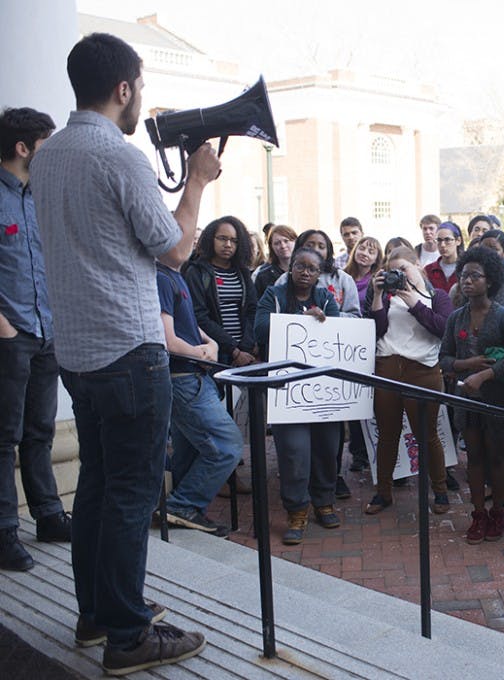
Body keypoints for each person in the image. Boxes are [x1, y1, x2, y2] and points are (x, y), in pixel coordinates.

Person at [31, 32, 219, 673]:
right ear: (123, 88)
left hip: (79, 354)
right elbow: (173, 249)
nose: (143, 99)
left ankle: (98, 613)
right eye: (141, 86)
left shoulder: (50, 153)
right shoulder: (120, 155)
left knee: (99, 487)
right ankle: (128, 636)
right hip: (131, 352)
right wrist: (195, 181)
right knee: (134, 495)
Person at [0, 106, 72, 573]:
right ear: (24, 148)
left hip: (47, 331)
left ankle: (48, 515)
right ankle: (5, 530)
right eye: (47, 143)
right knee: (2, 437)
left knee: (40, 432)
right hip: (10, 335)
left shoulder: (39, 196)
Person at [255, 247, 344, 544]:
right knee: (294, 451)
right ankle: (297, 509)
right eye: (300, 266)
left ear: (320, 274)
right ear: (290, 268)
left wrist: (324, 321)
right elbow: (260, 328)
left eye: (312, 269)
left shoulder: (327, 298)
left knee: (327, 447)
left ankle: (323, 501)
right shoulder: (274, 296)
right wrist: (300, 320)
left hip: (323, 390)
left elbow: (338, 333)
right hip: (287, 390)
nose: (305, 272)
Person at [440, 248, 504, 543]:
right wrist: (467, 366)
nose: (467, 281)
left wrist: (484, 374)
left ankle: (497, 513)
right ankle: (478, 514)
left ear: (490, 281)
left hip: (498, 398)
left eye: (475, 275)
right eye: (464, 275)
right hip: (465, 400)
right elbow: (444, 358)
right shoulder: (455, 318)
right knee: (473, 457)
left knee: (496, 457)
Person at [364, 247, 454, 515]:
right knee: (387, 436)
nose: (398, 275)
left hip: (423, 371)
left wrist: (413, 301)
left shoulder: (437, 296)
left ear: (418, 265)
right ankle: (383, 492)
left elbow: (443, 328)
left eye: (403, 268)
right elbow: (376, 330)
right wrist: (379, 294)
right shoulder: (387, 297)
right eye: (392, 271)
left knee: (427, 436)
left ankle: (439, 491)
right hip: (388, 367)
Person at [156, 262, 241, 536]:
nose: (190, 236)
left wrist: (212, 345)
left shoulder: (175, 276)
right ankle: (182, 505)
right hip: (183, 378)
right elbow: (168, 340)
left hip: (193, 377)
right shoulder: (160, 278)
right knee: (227, 444)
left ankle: (186, 514)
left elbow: (192, 325)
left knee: (189, 450)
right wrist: (199, 352)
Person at [183, 216, 259, 366]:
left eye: (234, 241)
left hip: (245, 351)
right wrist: (233, 350)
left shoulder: (242, 272)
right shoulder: (197, 272)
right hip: (215, 352)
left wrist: (245, 346)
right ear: (211, 239)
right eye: (222, 238)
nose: (228, 245)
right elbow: (200, 316)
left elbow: (252, 309)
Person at [343, 235, 383, 473]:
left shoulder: (376, 281)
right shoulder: (341, 276)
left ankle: (371, 449)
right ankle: (357, 452)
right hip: (343, 344)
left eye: (372, 250)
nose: (365, 253)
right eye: (362, 248)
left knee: (368, 398)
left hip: (368, 344)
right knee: (352, 399)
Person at [252, 224, 296, 298]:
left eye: (286, 241)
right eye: (277, 243)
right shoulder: (263, 276)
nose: (283, 246)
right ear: (271, 247)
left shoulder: (306, 271)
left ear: (295, 242)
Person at [425, 221, 462, 293]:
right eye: (439, 240)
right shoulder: (428, 270)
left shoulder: (465, 268)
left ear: (458, 241)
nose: (442, 245)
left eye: (447, 240)